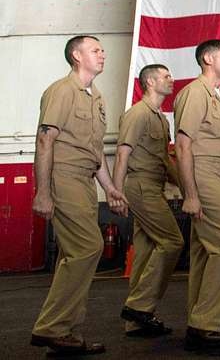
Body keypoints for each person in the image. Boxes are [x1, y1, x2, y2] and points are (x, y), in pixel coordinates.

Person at [30, 36, 126, 355]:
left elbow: (95, 152)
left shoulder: (95, 97)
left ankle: (66, 333)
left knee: (72, 254)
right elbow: (45, 140)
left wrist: (110, 188)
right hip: (63, 176)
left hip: (85, 180)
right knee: (88, 247)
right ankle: (52, 328)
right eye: (95, 50)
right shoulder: (62, 91)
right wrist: (43, 192)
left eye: (102, 50)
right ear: (76, 56)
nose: (102, 54)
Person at [172, 39, 220, 351]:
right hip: (201, 173)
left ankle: (199, 320)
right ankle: (205, 324)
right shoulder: (196, 93)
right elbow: (183, 145)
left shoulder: (219, 97)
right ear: (207, 59)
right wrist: (190, 194)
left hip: (216, 172)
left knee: (206, 250)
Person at [112, 64, 182, 337]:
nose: (171, 79)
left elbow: (164, 160)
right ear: (150, 82)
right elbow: (122, 154)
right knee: (172, 241)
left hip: (154, 185)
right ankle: (139, 306)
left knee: (145, 251)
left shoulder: (161, 119)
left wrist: (187, 188)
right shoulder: (138, 113)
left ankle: (136, 321)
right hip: (141, 186)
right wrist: (116, 193)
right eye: (166, 76)